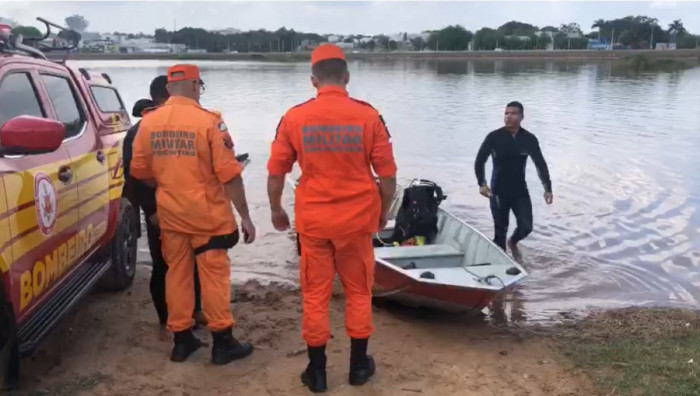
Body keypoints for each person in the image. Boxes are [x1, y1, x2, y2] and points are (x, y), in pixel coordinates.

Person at [266, 44, 397, 393]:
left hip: (315, 223)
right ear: (347, 77)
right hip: (357, 223)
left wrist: (276, 208)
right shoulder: (369, 116)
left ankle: (318, 372)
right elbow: (388, 177)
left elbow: (277, 171)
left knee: (315, 296)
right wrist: (383, 213)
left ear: (313, 80)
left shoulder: (294, 117)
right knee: (358, 293)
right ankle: (358, 368)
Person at [130, 64, 256, 365]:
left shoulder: (148, 123)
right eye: (200, 86)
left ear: (169, 89)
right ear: (196, 86)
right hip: (207, 216)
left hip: (171, 214)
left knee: (177, 274)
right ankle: (222, 341)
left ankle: (181, 339)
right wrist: (246, 217)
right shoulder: (210, 122)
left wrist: (170, 185)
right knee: (213, 277)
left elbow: (140, 172)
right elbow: (230, 175)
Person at [122, 76, 206, 334]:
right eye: (195, 88)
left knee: (193, 262)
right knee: (164, 265)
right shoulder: (142, 130)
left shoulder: (186, 123)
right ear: (168, 94)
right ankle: (166, 318)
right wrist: (152, 212)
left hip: (189, 208)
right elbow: (134, 176)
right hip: (162, 210)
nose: (196, 94)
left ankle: (194, 311)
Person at [474, 101, 553, 262]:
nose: (508, 117)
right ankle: (503, 269)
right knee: (500, 234)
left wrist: (547, 188)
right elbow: (479, 161)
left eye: (513, 114)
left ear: (521, 116)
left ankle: (514, 242)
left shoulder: (529, 139)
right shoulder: (494, 137)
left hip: (519, 191)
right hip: (498, 192)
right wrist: (482, 183)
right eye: (506, 113)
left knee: (526, 227)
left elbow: (540, 164)